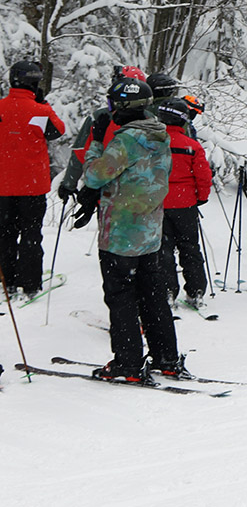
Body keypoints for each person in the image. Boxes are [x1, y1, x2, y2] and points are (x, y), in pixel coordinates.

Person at [73, 77, 185, 382]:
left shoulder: (128, 139)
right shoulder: (158, 133)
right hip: (149, 232)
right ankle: (167, 357)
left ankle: (128, 363)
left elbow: (96, 175)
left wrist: (96, 141)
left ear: (122, 107)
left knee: (121, 296)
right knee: (152, 295)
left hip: (122, 234)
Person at [0, 60, 66, 297]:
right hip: (31, 186)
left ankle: (6, 280)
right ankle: (29, 283)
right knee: (30, 234)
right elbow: (58, 131)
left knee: (4, 234)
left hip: (3, 185)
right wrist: (43, 103)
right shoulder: (41, 111)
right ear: (35, 84)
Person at [58, 65, 146, 201]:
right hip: (145, 200)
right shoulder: (154, 121)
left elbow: (80, 154)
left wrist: (69, 184)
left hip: (107, 195)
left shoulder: (99, 118)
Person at [156, 98, 212, 307]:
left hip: (159, 203)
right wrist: (202, 197)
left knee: (163, 249)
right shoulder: (192, 145)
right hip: (185, 204)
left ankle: (167, 290)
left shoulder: (153, 144)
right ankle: (196, 290)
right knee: (190, 247)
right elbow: (203, 176)